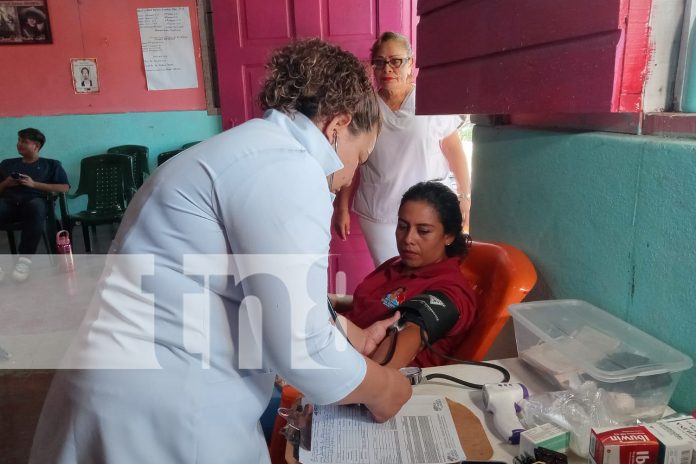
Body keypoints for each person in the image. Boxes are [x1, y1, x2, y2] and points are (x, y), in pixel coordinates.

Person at [29, 39, 411, 464]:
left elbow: (264, 294)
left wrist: (352, 335)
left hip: (124, 384)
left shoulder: (247, 149)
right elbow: (301, 348)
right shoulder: (289, 169)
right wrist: (385, 388)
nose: (348, 178)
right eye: (361, 157)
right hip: (165, 407)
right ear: (337, 126)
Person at [334, 31, 472, 266]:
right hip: (378, 213)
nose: (387, 69)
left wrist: (465, 196)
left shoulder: (431, 101)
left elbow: (455, 153)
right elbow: (353, 162)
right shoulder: (365, 107)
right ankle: (395, 305)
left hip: (428, 211)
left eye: (396, 61)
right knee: (389, 275)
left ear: (411, 63)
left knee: (426, 275)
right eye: (380, 62)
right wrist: (342, 207)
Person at [331, 181, 477, 368]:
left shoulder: (449, 291)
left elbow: (411, 331)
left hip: (363, 373)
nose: (408, 239)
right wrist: (331, 301)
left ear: (448, 236)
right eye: (402, 226)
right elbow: (379, 302)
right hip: (340, 348)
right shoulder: (398, 265)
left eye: (423, 231)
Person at [0, 128, 69, 282]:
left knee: (36, 206)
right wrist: (6, 183)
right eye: (18, 140)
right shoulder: (6, 164)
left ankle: (24, 261)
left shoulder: (51, 165)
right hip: (9, 204)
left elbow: (64, 187)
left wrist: (34, 184)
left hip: (34, 204)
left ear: (36, 146)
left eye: (24, 141)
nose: (19, 144)